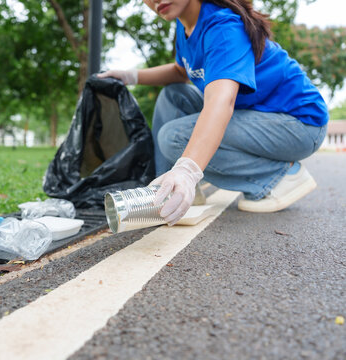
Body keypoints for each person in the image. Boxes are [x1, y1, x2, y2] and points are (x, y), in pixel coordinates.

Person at [98, 0, 328, 225]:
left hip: (299, 124)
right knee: (173, 95)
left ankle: (277, 177)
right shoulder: (185, 24)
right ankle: (166, 193)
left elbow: (221, 101)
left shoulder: (223, 27)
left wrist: (188, 169)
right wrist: (130, 76)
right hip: (257, 114)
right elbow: (181, 72)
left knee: (174, 138)